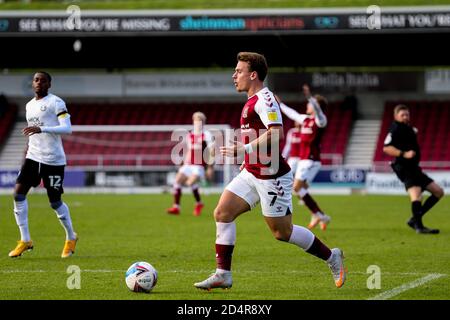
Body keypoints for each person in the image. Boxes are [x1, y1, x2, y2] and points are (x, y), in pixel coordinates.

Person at [194, 52, 346, 291]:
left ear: (253, 75)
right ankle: (223, 274)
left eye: (239, 71)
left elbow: (276, 133)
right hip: (252, 172)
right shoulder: (251, 100)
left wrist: (243, 148)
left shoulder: (265, 99)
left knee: (281, 232)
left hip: (272, 176)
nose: (234, 75)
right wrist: (246, 159)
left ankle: (331, 256)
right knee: (222, 213)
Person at [8, 71, 78, 258]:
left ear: (49, 84)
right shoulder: (30, 105)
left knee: (55, 202)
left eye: (43, 80)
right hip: (33, 157)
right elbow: (32, 133)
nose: (39, 83)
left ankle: (71, 237)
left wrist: (42, 128)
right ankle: (25, 240)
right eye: (36, 80)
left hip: (53, 160)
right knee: (18, 194)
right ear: (33, 83)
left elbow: (67, 128)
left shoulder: (56, 102)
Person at [383, 104, 444, 234]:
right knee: (416, 196)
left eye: (407, 115)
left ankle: (414, 219)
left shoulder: (409, 128)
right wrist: (403, 154)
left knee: (438, 192)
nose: (405, 117)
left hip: (415, 168)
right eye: (402, 115)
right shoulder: (395, 129)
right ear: (396, 116)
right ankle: (419, 227)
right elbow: (386, 148)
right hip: (404, 168)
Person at [277, 85, 331, 230]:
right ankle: (319, 214)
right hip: (303, 159)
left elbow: (319, 113)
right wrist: (280, 104)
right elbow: (292, 114)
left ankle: (319, 214)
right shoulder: (305, 119)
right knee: (298, 190)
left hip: (312, 160)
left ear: (315, 105)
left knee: (296, 187)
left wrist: (310, 98)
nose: (307, 105)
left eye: (310, 104)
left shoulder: (321, 121)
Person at [167, 111, 214, 216]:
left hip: (199, 165)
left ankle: (198, 203)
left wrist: (210, 168)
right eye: (196, 120)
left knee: (190, 183)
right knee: (177, 181)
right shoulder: (190, 135)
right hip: (188, 164)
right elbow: (189, 150)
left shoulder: (206, 135)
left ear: (203, 122)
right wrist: (183, 163)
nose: (197, 123)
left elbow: (211, 151)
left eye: (200, 121)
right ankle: (176, 207)